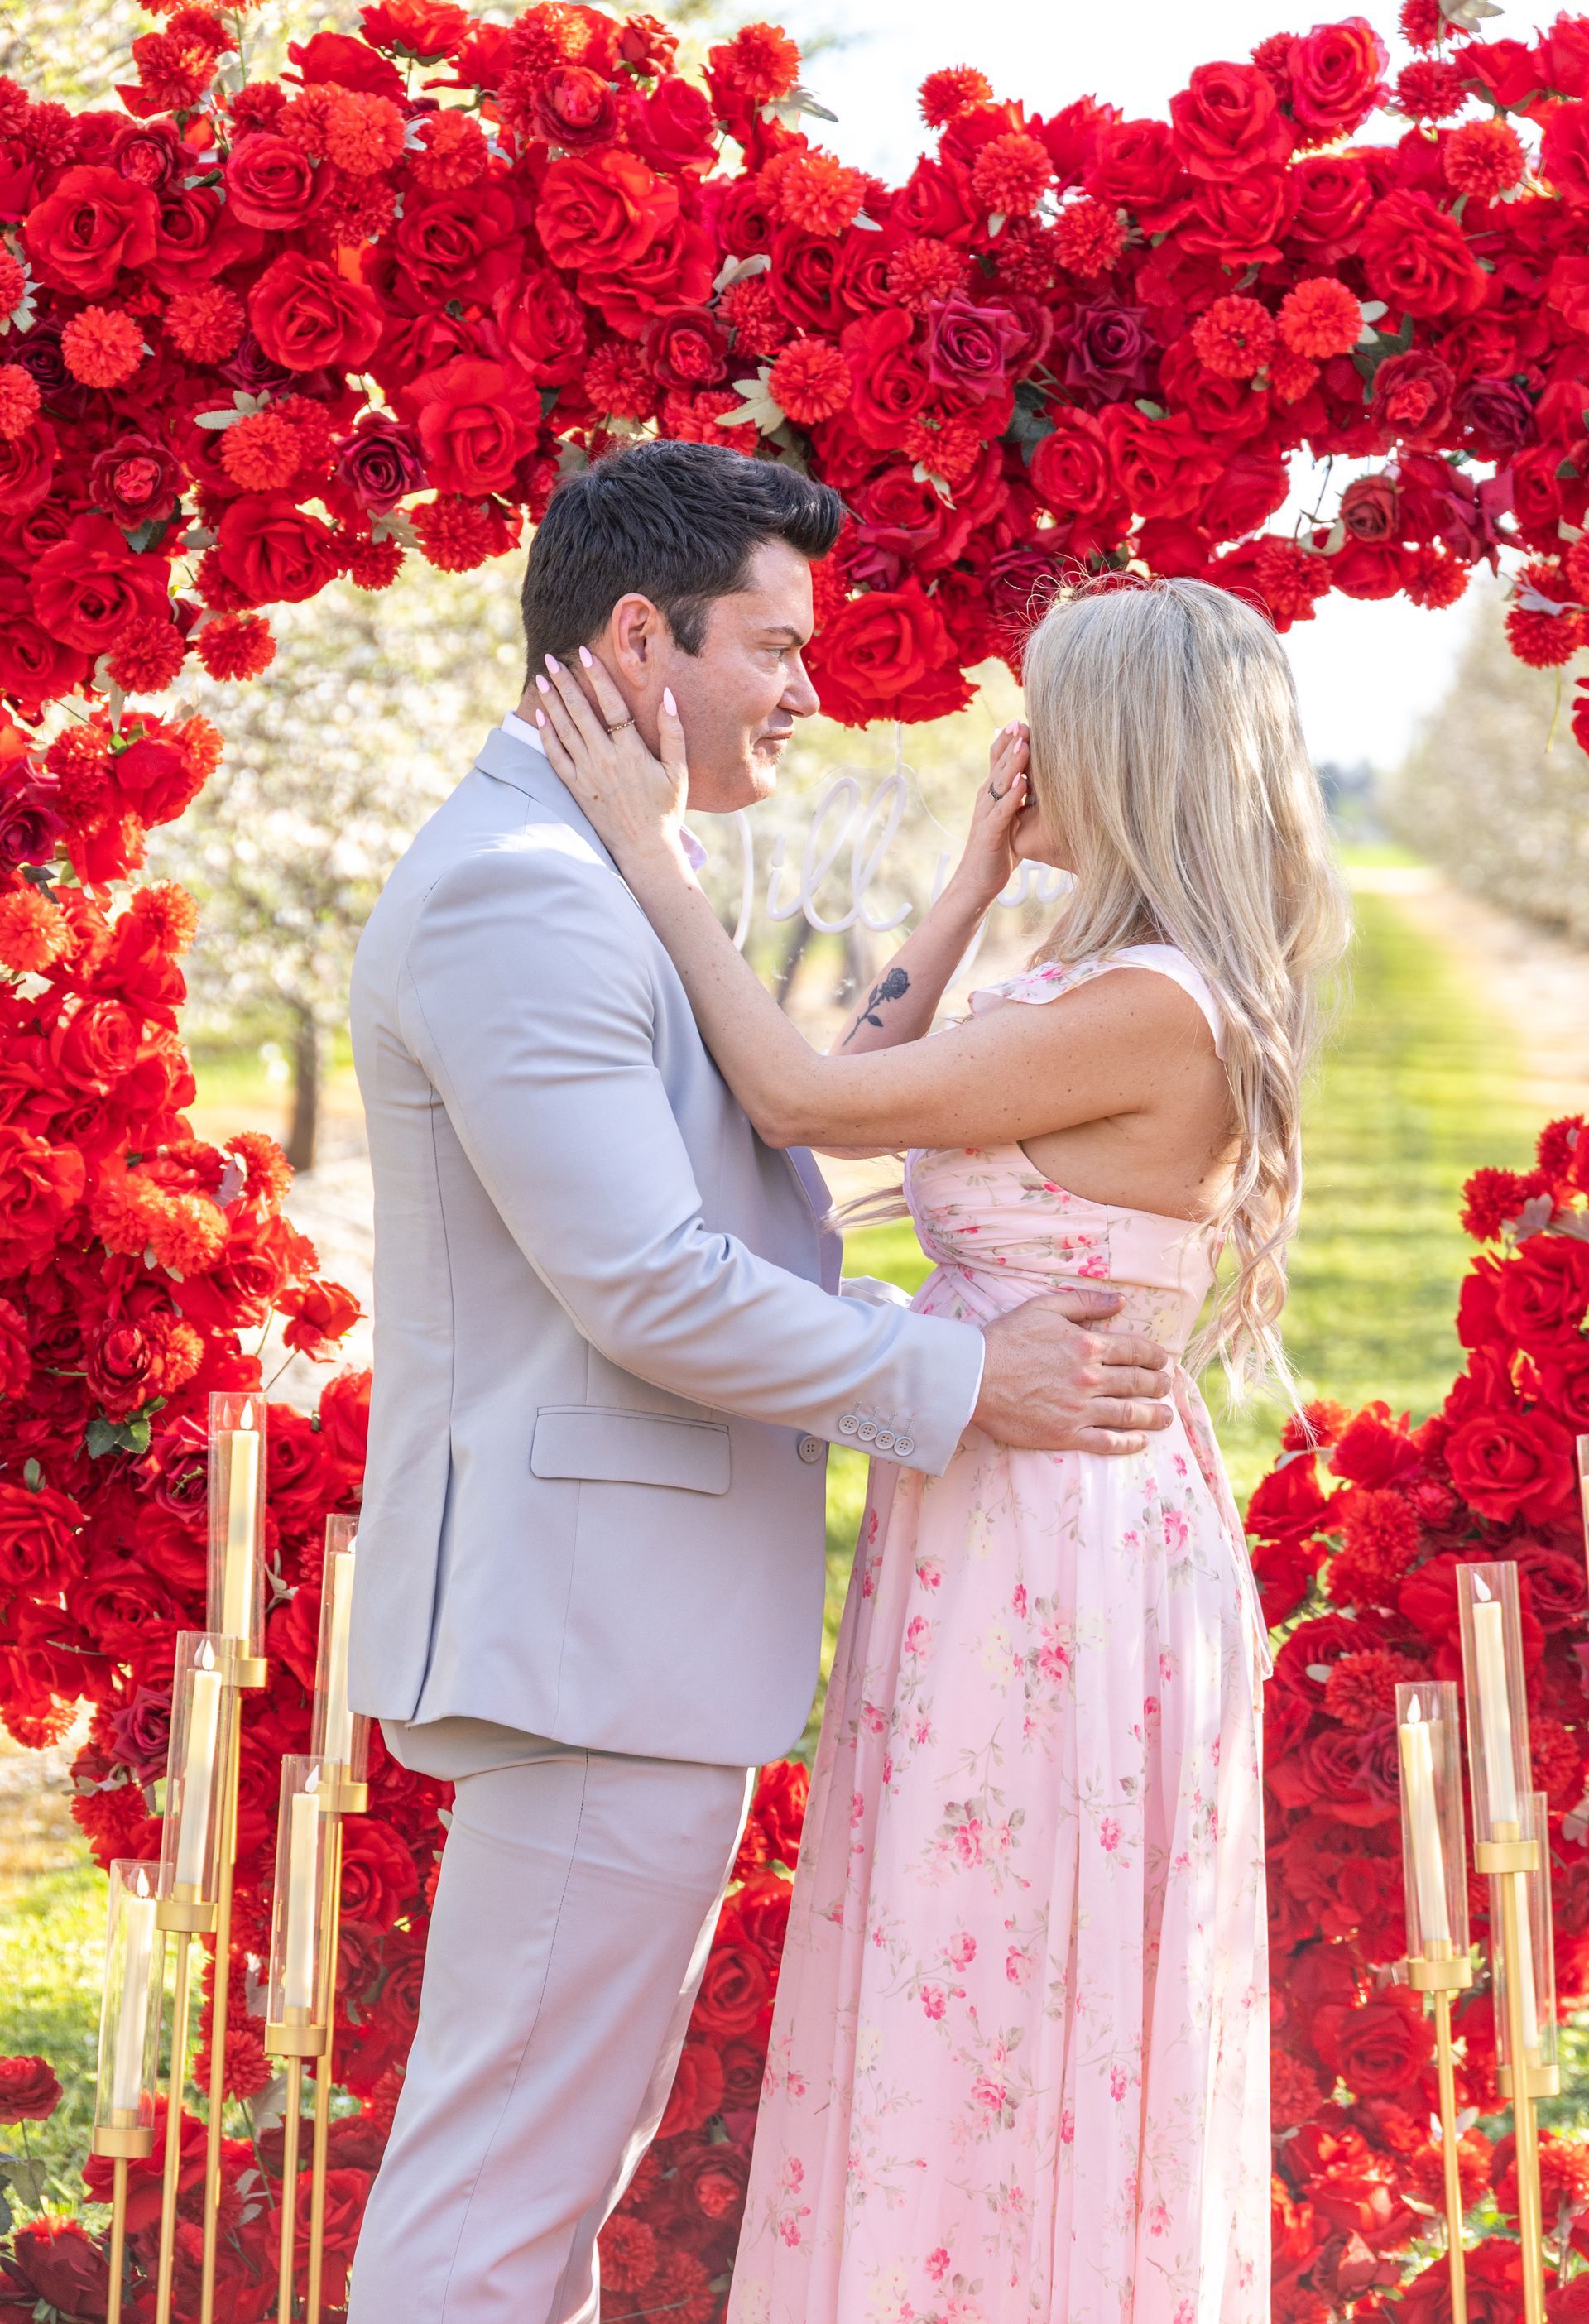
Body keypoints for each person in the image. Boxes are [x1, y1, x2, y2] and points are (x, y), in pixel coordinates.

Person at [343, 440, 1176, 2324]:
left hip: (624, 1640)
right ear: (643, 637)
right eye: (778, 651)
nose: (811, 696)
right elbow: (648, 1280)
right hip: (589, 1637)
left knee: (547, 2170)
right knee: (501, 2194)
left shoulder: (602, 865)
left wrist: (967, 885)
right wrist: (964, 1379)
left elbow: (794, 1118)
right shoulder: (528, 895)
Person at [534, 571, 1351, 2324]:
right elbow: (849, 1097)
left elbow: (801, 1106)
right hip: (999, 1505)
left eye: (1056, 712)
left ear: (1126, 753)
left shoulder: (1156, 1010)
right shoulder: (1094, 978)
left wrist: (644, 848)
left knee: (1006, 1973)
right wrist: (975, 880)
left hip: (1063, 1534)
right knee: (953, 1963)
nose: (1021, 741)